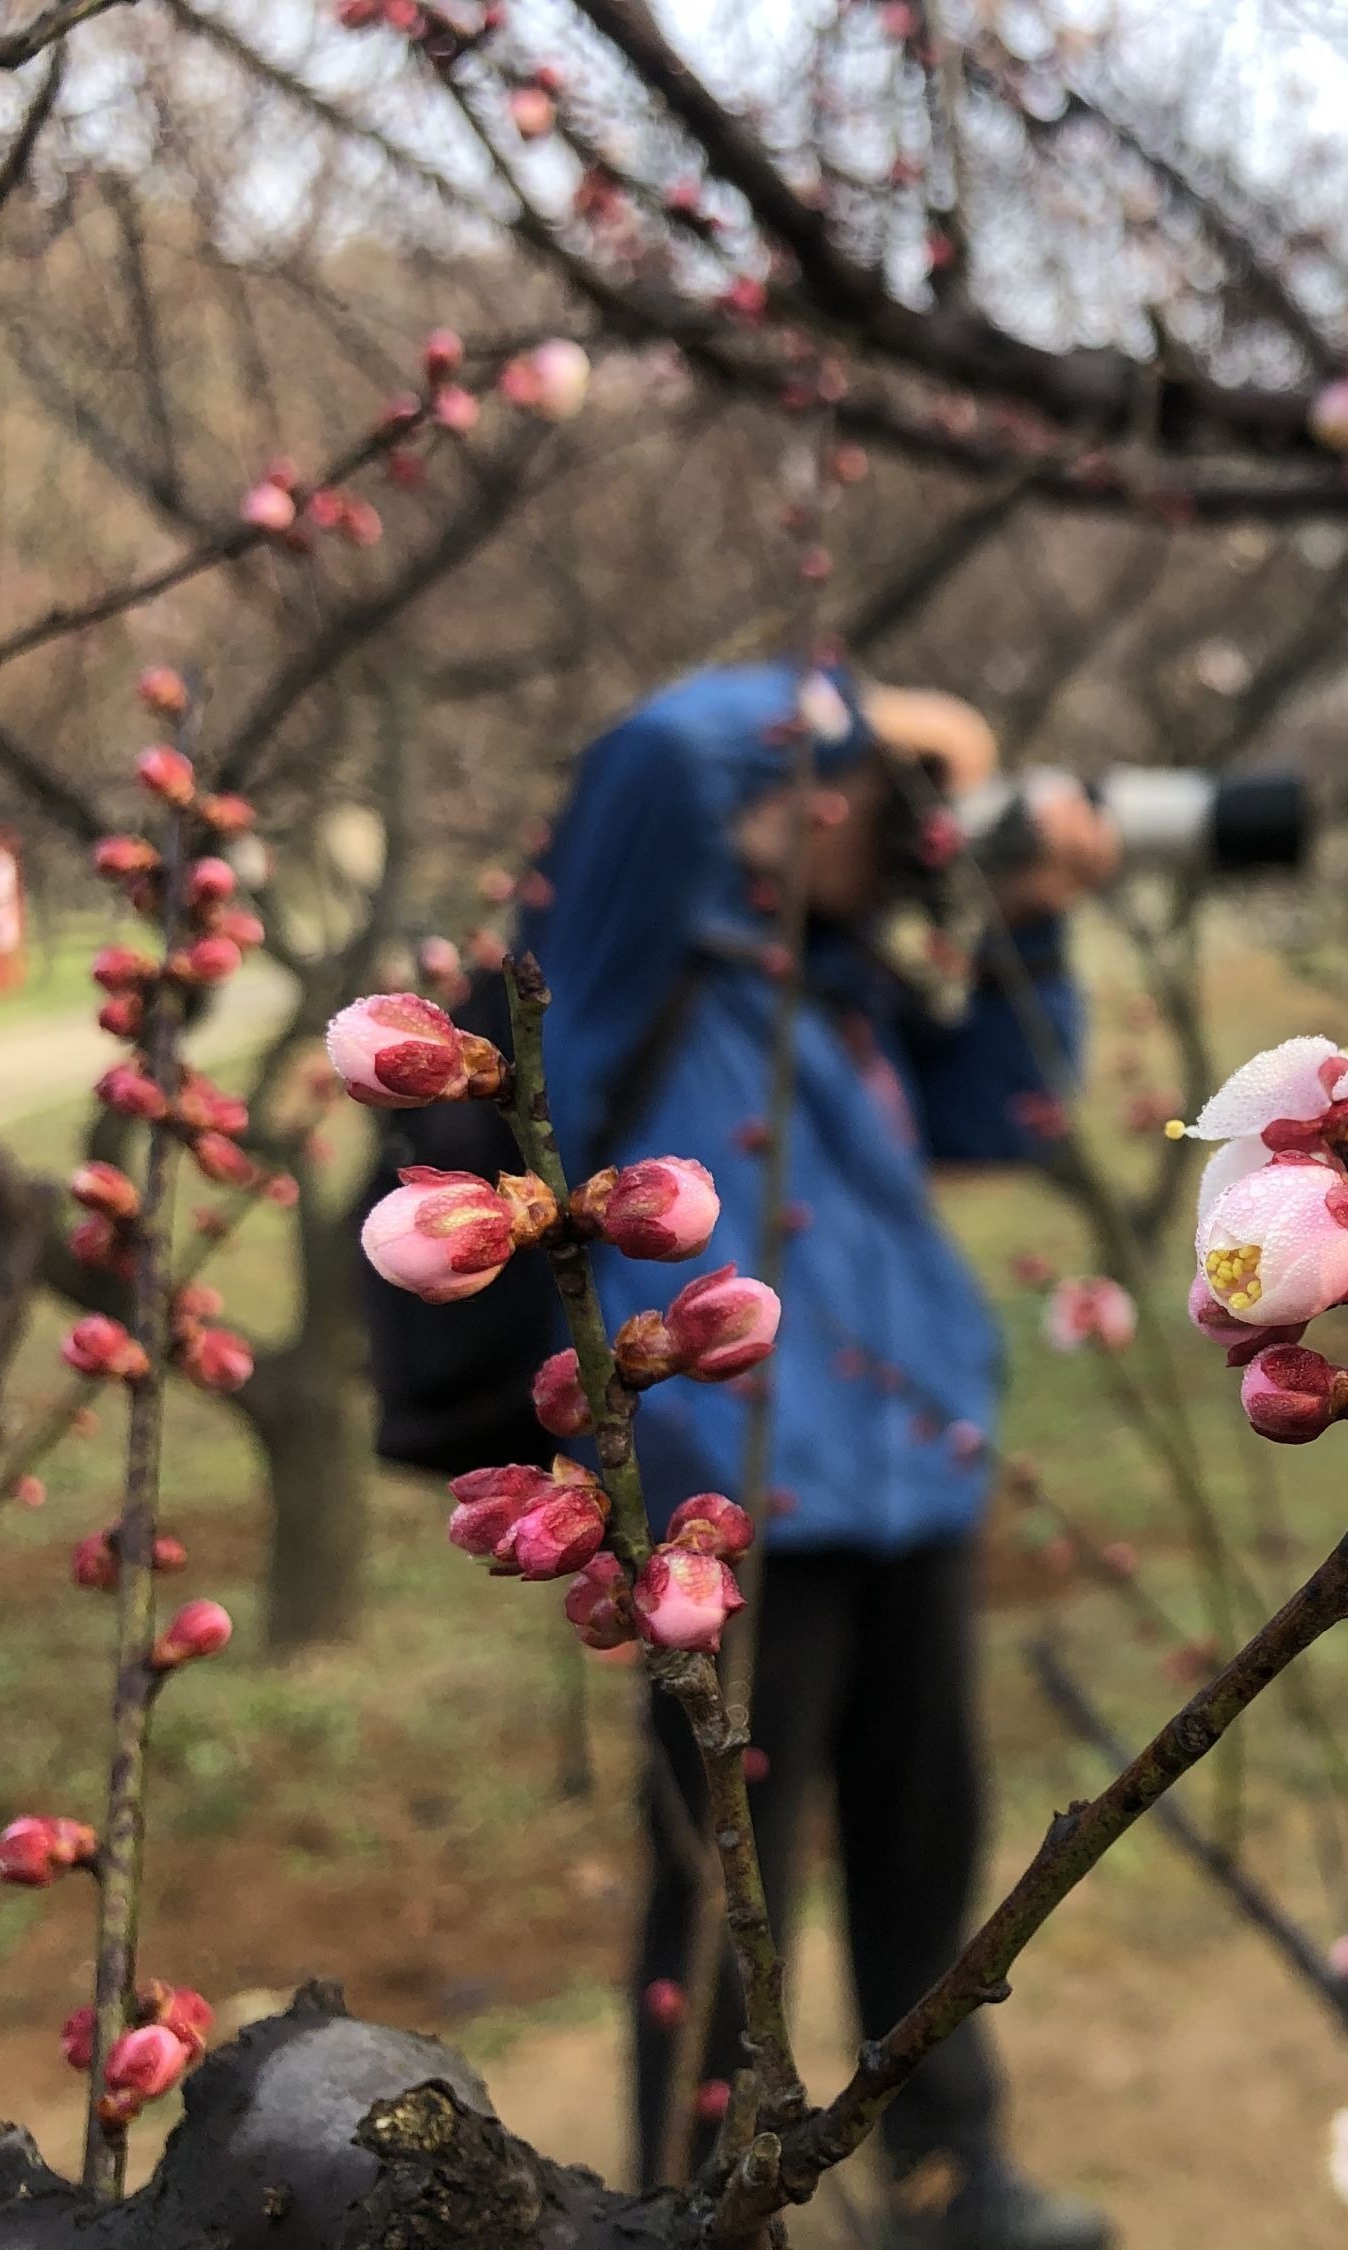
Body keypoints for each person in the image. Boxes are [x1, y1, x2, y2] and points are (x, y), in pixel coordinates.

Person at [522, 660, 1119, 2250]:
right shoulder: (633, 942)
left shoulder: (836, 990)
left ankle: (947, 2171)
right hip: (735, 1501)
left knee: (932, 1856)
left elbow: (1013, 1113)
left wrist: (1032, 917)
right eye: (845, 783)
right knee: (731, 1881)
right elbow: (655, 748)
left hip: (910, 1477)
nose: (880, 817)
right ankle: (705, 2202)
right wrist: (875, 711)